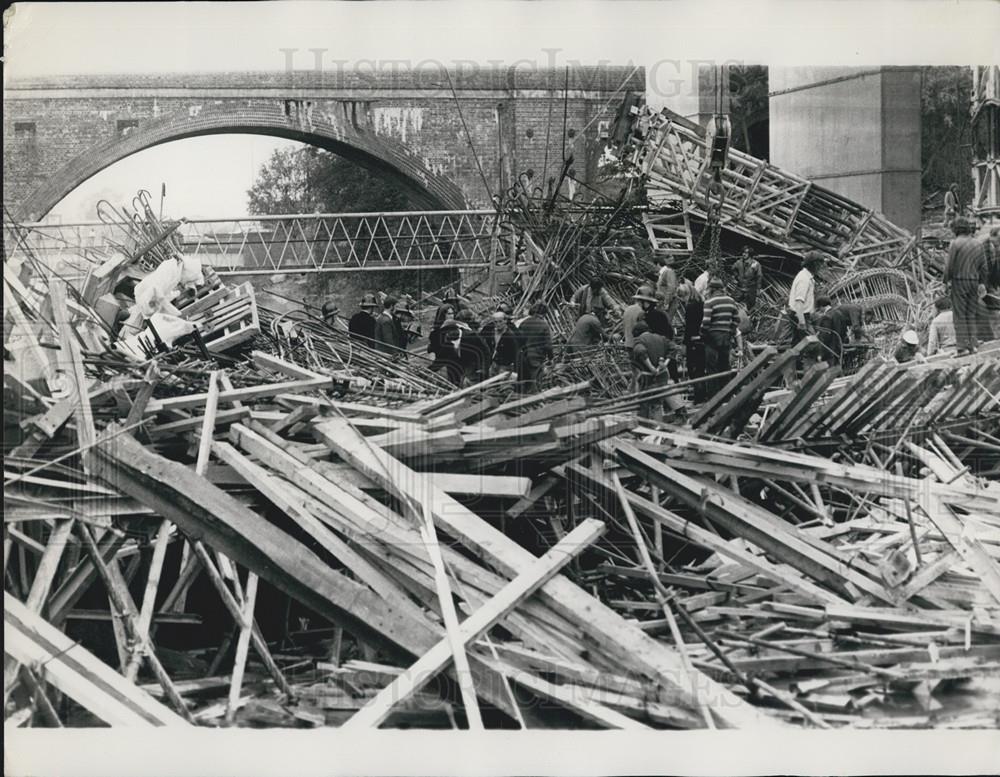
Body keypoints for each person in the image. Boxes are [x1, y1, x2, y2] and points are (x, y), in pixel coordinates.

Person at [943, 217, 989, 355]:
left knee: (960, 315)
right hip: (973, 282)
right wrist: (982, 283)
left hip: (959, 282)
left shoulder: (955, 244)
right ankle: (973, 345)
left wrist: (945, 281)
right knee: (971, 314)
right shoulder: (978, 244)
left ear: (956, 229)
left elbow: (949, 266)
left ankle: (962, 347)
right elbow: (984, 267)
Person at [630, 321, 677, 420]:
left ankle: (644, 430)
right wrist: (664, 364)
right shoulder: (661, 338)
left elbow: (640, 351)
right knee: (657, 404)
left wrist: (651, 367)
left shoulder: (639, 340)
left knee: (643, 403)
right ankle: (658, 429)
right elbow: (673, 348)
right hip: (662, 375)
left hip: (648, 377)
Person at [701, 276, 739, 394]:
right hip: (725, 336)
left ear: (711, 289)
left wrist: (703, 334)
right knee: (725, 366)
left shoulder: (709, 302)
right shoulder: (731, 301)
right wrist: (730, 332)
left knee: (712, 368)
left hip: (712, 337)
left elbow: (706, 322)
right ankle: (726, 395)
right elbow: (736, 320)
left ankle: (714, 396)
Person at [814, 296, 866, 365]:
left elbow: (825, 336)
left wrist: (820, 353)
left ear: (821, 307)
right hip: (841, 344)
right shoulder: (840, 313)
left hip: (832, 349)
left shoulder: (827, 317)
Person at [515, 302, 554, 393]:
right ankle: (535, 402)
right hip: (536, 358)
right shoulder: (544, 325)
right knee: (535, 383)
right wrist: (551, 358)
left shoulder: (524, 323)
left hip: (522, 357)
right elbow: (548, 344)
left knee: (523, 382)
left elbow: (517, 341)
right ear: (544, 313)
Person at [681, 283, 707, 401]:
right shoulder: (702, 304)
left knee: (693, 368)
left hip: (693, 341)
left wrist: (684, 343)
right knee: (701, 368)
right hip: (702, 339)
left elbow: (689, 327)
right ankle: (702, 393)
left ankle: (699, 396)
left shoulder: (691, 307)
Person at [479, 304, 520, 375]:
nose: (498, 324)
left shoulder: (510, 333)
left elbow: (516, 351)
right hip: (493, 362)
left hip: (505, 364)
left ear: (505, 321)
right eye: (496, 322)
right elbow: (481, 339)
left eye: (500, 321)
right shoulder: (491, 329)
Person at [731, 247, 763, 313]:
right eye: (743, 252)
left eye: (746, 253)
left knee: (750, 307)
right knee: (732, 302)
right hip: (740, 287)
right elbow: (733, 268)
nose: (743, 254)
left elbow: (759, 277)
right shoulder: (739, 262)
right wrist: (736, 277)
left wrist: (758, 289)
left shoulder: (756, 264)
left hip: (750, 289)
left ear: (750, 254)